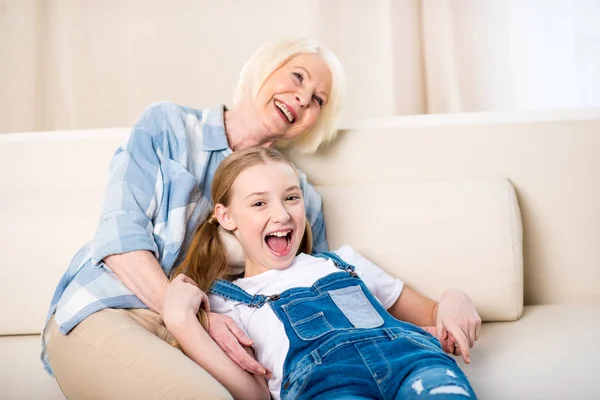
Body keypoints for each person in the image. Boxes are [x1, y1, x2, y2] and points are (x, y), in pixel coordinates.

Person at [42, 38, 345, 399]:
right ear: (265, 68)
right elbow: (119, 240)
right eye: (297, 77)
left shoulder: (303, 199)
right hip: (113, 307)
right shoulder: (168, 126)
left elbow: (311, 296)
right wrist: (196, 318)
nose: (302, 98)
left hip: (204, 341)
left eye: (317, 100)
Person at [163, 147, 481, 400]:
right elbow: (255, 394)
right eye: (259, 203)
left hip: (415, 363)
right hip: (328, 387)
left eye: (291, 197)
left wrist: (455, 298)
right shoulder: (224, 303)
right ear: (227, 216)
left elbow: (433, 311)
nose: (282, 214)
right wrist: (180, 321)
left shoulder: (342, 262)